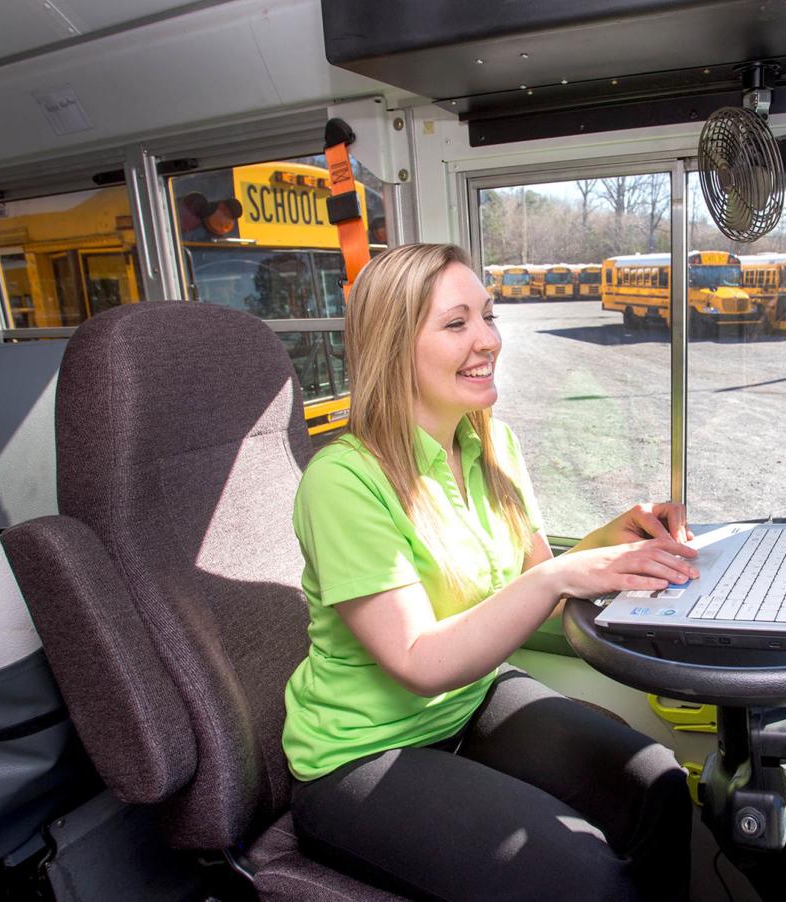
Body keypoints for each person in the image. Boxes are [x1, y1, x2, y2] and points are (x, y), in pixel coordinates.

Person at [282, 243, 697, 901]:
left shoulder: (492, 443)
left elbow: (538, 580)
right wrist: (559, 579)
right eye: (457, 324)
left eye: (488, 316)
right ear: (394, 346)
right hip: (361, 754)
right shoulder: (342, 482)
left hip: (471, 701)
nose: (488, 340)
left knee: (659, 788)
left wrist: (608, 546)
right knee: (585, 884)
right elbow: (419, 661)